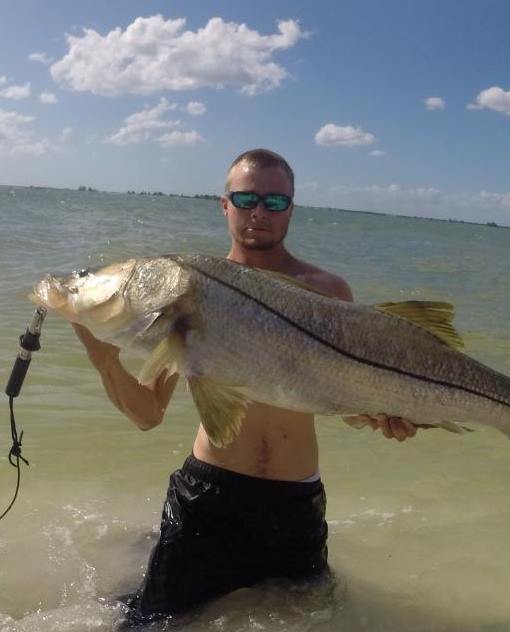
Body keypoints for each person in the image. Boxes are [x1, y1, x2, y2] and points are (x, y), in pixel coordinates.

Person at [72, 148, 419, 624]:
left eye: (275, 202)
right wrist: (102, 355)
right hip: (208, 500)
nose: (260, 212)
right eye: (247, 198)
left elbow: (333, 396)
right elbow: (148, 413)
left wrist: (381, 414)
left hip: (296, 505)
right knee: (151, 624)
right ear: (225, 204)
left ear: (292, 209)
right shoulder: (184, 290)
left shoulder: (329, 290)